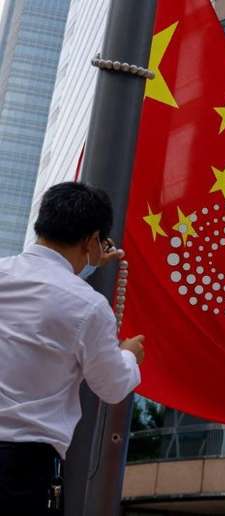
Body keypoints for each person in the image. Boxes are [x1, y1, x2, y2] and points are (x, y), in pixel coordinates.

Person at [0, 181, 144, 514]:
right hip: (20, 468)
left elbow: (45, 293)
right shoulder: (88, 307)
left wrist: (89, 265)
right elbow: (111, 386)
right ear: (93, 240)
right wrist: (129, 355)